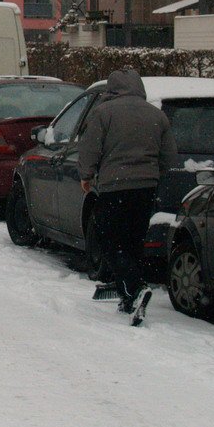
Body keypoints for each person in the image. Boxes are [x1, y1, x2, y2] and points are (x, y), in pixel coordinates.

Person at [78, 69, 177, 324]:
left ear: (112, 89)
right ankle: (128, 297)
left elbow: (90, 147)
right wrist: (153, 174)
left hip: (114, 186)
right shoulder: (157, 115)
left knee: (109, 239)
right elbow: (169, 156)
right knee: (133, 241)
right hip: (145, 188)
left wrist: (86, 175)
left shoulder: (103, 113)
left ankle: (134, 286)